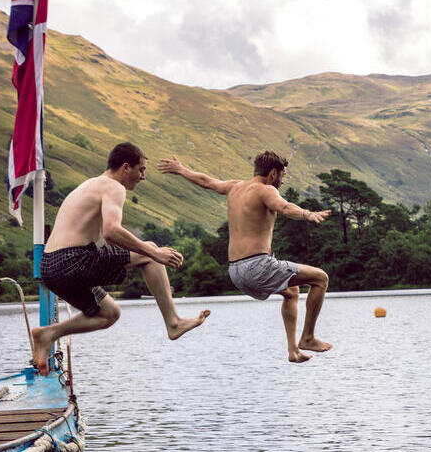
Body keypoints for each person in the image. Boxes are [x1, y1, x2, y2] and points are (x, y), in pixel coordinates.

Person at [31, 142, 210, 375]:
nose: (143, 177)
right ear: (126, 167)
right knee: (151, 251)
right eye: (142, 169)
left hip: (51, 267)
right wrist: (154, 253)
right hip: (72, 261)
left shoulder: (88, 185)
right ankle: (173, 323)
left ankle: (48, 334)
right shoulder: (114, 187)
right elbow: (111, 231)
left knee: (110, 313)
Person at [158, 150, 333, 363]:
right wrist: (308, 214)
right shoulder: (266, 191)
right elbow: (285, 207)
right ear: (272, 174)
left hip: (235, 272)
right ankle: (308, 337)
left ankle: (293, 351)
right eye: (282, 176)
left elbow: (207, 182)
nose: (282, 181)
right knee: (321, 278)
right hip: (258, 267)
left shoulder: (234, 187)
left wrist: (181, 170)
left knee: (292, 291)